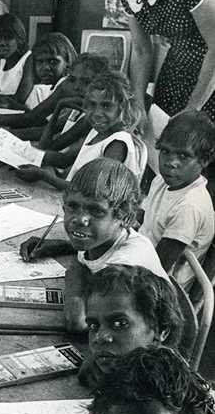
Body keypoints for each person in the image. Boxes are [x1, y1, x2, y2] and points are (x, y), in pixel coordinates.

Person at [20, 158, 168, 331]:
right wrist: (61, 246)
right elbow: (84, 257)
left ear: (125, 217)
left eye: (96, 211)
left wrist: (75, 281)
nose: (79, 219)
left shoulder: (126, 265)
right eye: (73, 206)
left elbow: (77, 322)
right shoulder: (102, 238)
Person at [15, 71, 146, 190]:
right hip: (74, 198)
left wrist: (43, 176)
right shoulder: (97, 131)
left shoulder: (117, 143)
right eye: (92, 105)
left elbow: (92, 190)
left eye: (106, 106)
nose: (97, 113)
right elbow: (63, 159)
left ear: (122, 107)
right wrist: (21, 152)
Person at [140, 110, 215, 288]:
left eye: (183, 156)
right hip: (140, 257)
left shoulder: (190, 207)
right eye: (165, 151)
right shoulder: (161, 181)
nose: (170, 162)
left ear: (205, 160)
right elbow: (143, 218)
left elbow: (157, 269)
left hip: (162, 285)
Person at [80, 264, 184, 389]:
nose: (99, 337)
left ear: (161, 330)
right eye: (93, 326)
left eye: (120, 324)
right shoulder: (114, 372)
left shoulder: (164, 396)